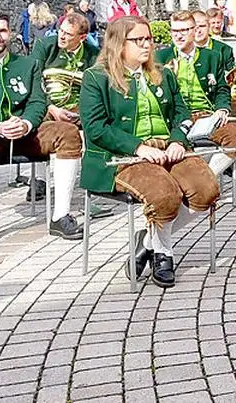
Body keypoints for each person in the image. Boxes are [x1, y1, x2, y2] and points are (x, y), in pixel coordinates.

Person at [78, 16, 219, 288]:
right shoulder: (96, 77)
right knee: (165, 195)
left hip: (168, 148)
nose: (146, 45)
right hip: (121, 156)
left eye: (149, 39)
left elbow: (182, 113)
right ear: (119, 43)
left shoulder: (163, 74)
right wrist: (138, 147)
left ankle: (147, 242)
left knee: (207, 189)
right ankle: (164, 254)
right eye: (138, 40)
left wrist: (178, 140)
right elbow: (95, 128)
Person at [0, 11, 84, 248]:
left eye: (2, 30)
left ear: (10, 33)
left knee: (67, 133)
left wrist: (27, 123)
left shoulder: (28, 64)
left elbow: (38, 102)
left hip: (25, 132)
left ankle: (60, 216)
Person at [157, 11, 236, 179]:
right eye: (174, 31)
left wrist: (222, 109)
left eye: (184, 30)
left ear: (194, 30)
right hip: (175, 118)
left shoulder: (212, 56)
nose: (178, 36)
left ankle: (208, 178)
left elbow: (222, 88)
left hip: (206, 116)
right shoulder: (160, 57)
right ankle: (199, 184)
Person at [30, 12, 98, 123]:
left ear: (82, 37)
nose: (61, 37)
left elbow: (96, 90)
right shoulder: (45, 46)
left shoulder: (93, 55)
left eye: (68, 34)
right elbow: (33, 80)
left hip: (80, 111)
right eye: (61, 30)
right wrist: (50, 107)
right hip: (46, 107)